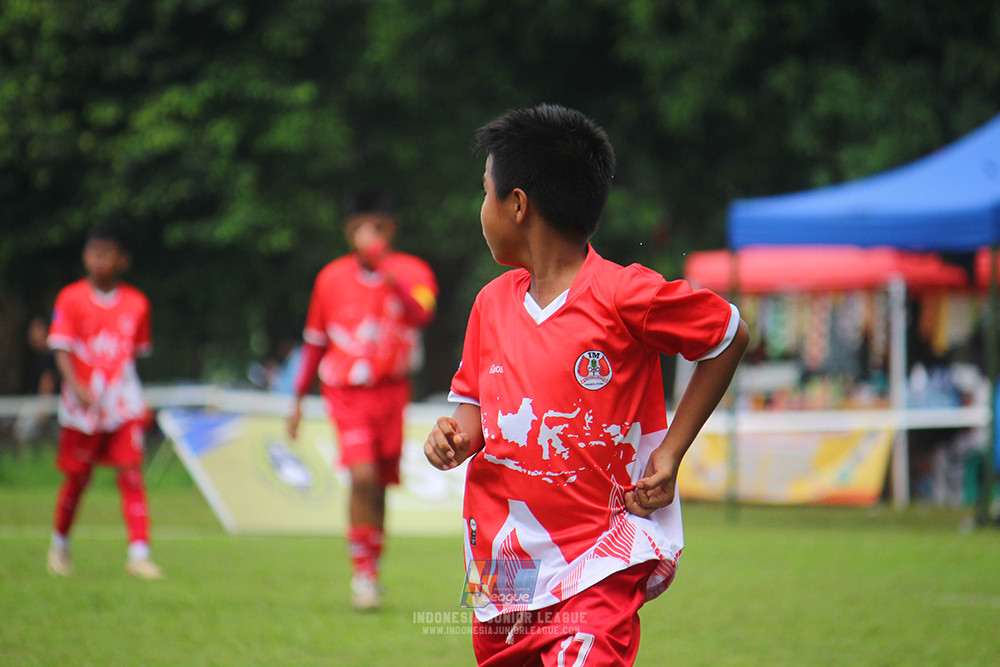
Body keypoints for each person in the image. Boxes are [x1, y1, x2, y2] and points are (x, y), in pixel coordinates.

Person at [424, 105, 749, 665]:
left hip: (599, 562)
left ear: (518, 205)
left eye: (485, 194)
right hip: (506, 573)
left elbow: (728, 335)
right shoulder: (490, 304)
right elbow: (472, 418)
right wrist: (450, 440)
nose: (482, 211)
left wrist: (670, 454)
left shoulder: (625, 294)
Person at [287, 202, 438, 611]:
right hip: (347, 391)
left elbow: (422, 312)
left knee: (381, 482)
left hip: (392, 391)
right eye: (360, 227)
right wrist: (297, 399)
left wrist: (389, 275)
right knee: (363, 474)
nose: (369, 234)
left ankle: (373, 567)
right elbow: (316, 341)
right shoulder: (330, 278)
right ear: (347, 231)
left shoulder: (413, 271)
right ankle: (361, 576)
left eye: (378, 226)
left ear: (392, 229)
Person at [46, 224, 163, 580]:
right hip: (83, 407)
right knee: (78, 477)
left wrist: (128, 395)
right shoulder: (70, 298)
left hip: (121, 405)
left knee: (131, 474)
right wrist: (77, 386)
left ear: (122, 260)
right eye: (92, 253)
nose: (98, 261)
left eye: (106, 254)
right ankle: (59, 546)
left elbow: (134, 354)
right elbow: (61, 347)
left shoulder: (137, 303)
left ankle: (139, 554)